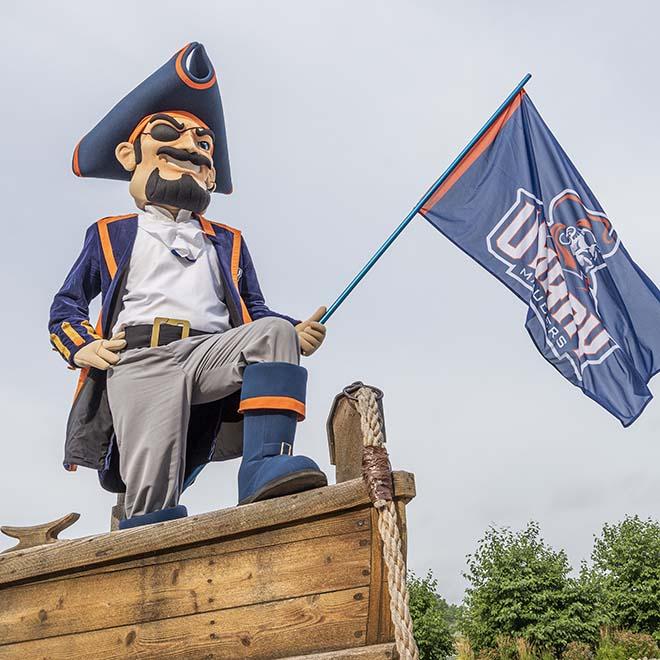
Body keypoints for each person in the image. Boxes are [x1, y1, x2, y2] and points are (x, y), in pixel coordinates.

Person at [49, 42, 328, 529]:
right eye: (168, 134)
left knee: (275, 337)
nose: (190, 149)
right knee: (154, 496)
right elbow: (67, 304)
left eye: (203, 145)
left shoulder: (229, 241)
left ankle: (264, 467)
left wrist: (293, 329)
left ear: (211, 174)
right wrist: (82, 346)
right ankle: (147, 558)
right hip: (140, 359)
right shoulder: (111, 234)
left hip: (209, 352)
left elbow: (255, 309)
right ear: (128, 155)